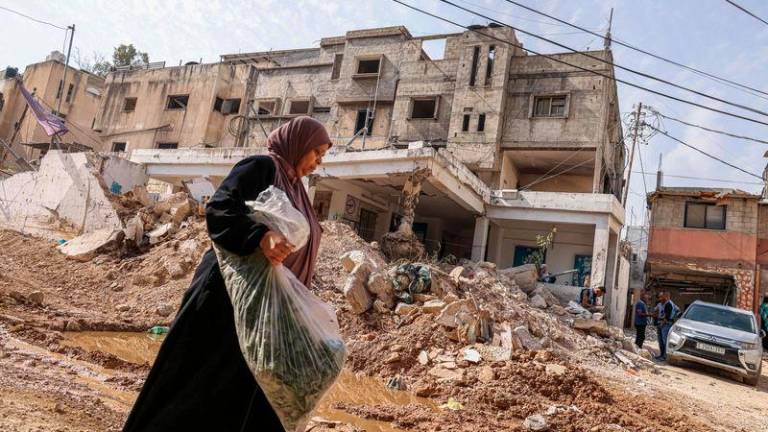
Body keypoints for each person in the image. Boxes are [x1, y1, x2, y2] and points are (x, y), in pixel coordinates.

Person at [122, 117, 332, 432]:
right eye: (316, 152)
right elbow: (220, 208)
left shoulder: (298, 190)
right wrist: (262, 236)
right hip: (226, 300)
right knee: (198, 387)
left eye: (323, 156)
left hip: (265, 308)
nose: (318, 162)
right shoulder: (262, 168)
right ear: (297, 144)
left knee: (249, 394)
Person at [655, 291, 680, 362]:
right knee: (661, 341)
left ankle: (664, 356)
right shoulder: (665, 304)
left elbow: (667, 317)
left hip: (666, 325)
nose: (661, 298)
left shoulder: (669, 304)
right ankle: (661, 355)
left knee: (664, 341)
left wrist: (661, 325)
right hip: (663, 324)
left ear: (666, 296)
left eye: (662, 296)